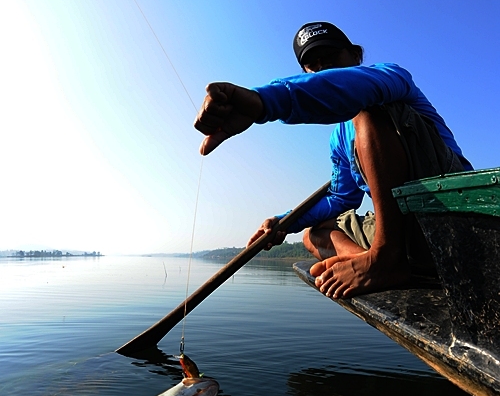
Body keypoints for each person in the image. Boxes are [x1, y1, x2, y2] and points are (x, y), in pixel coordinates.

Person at [193, 22, 472, 299]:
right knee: (314, 234)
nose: (323, 69)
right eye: (313, 66)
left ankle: (386, 258)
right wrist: (283, 222)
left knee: (365, 108)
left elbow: (353, 88)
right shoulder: (340, 138)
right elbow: (340, 199)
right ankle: (376, 261)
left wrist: (262, 101)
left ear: (355, 55)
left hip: (450, 208)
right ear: (305, 73)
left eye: (331, 57)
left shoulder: (392, 77)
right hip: (407, 231)